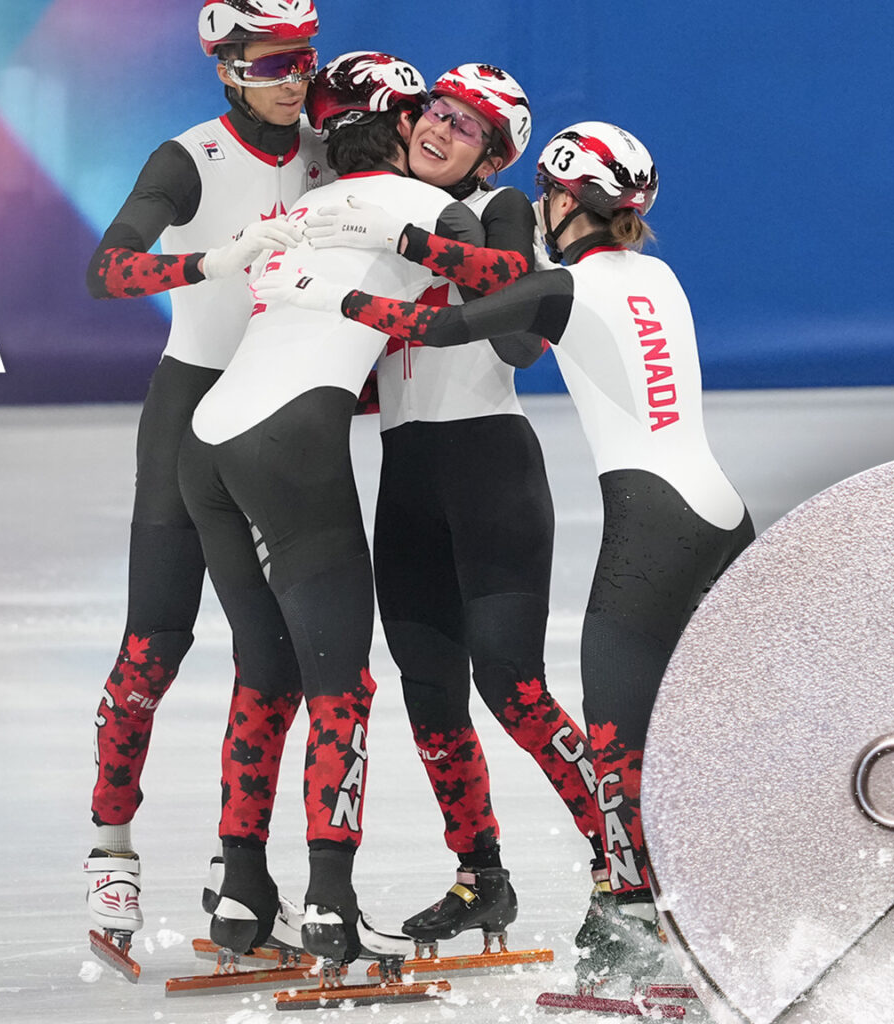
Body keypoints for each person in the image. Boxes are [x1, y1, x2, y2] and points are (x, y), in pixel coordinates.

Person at [256, 121, 756, 991]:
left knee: (619, 747)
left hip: (654, 530)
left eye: (550, 196)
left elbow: (441, 326)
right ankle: (706, 898)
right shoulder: (658, 275)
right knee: (718, 731)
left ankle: (637, 923)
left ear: (566, 201)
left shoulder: (561, 285)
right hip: (721, 516)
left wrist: (320, 285)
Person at [178, 50, 486, 965]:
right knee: (339, 687)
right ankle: (330, 905)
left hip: (209, 440)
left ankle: (243, 893)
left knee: (263, 673)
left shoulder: (309, 206)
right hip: (290, 446)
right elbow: (501, 282)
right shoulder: (426, 205)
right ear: (401, 128)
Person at [299, 65, 606, 952]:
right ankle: (482, 878)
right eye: (435, 112)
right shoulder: (389, 209)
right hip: (406, 477)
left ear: (492, 157)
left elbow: (521, 344)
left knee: (513, 688)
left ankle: (626, 861)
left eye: (465, 128)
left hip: (489, 472)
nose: (439, 129)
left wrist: (443, 240)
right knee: (430, 696)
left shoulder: (499, 212)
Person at [80, 0, 326, 959]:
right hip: (190, 413)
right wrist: (211, 262)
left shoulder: (330, 153)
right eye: (269, 63)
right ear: (226, 68)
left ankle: (240, 877)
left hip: (278, 418)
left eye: (302, 59)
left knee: (276, 658)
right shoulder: (188, 158)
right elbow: (106, 271)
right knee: (156, 643)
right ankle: (111, 852)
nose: (291, 78)